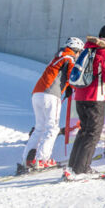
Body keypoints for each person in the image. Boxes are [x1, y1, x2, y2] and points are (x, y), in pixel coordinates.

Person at [19, 36, 83, 172]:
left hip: (37, 93)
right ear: (76, 50)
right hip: (50, 95)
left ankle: (27, 160)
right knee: (52, 128)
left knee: (39, 128)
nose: (78, 55)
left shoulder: (57, 57)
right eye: (79, 52)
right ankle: (43, 160)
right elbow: (74, 77)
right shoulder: (69, 58)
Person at [67, 24, 105, 176]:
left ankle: (72, 167)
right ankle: (81, 170)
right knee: (93, 133)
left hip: (80, 95)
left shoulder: (88, 48)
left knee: (84, 131)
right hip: (95, 97)